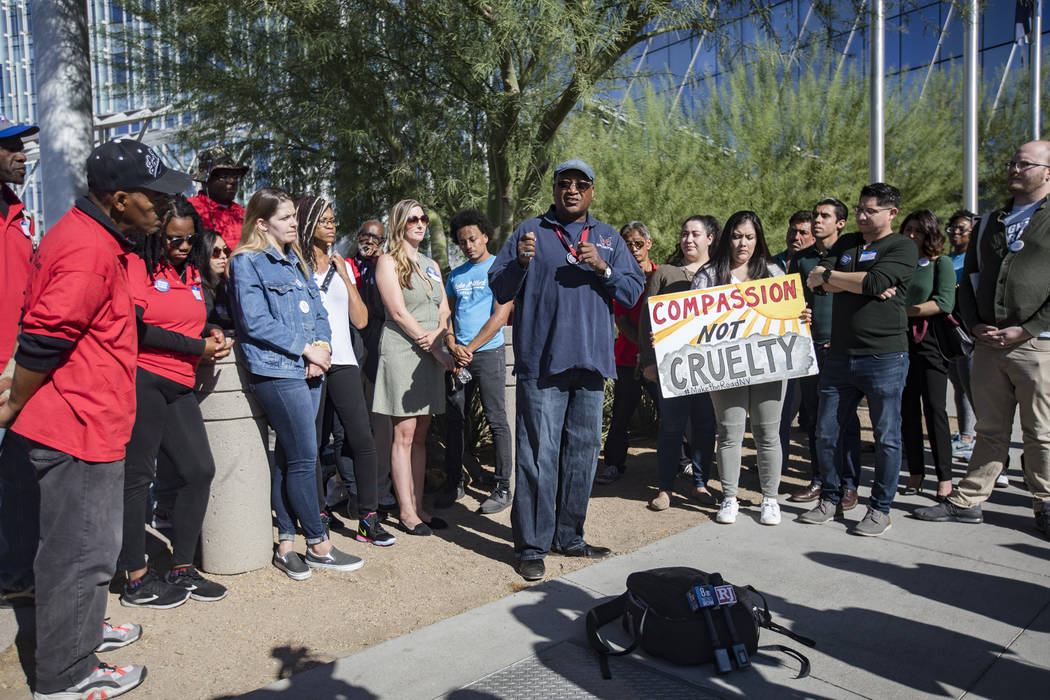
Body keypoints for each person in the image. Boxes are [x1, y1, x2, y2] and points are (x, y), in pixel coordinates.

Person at [0, 139, 192, 699]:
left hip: (84, 419)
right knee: (81, 555)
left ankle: (80, 631)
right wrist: (14, 402)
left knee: (77, 550)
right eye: (154, 197)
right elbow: (42, 338)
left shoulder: (91, 236)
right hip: (77, 426)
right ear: (118, 198)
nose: (163, 207)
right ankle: (66, 674)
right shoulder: (87, 246)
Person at [489, 159, 644, 581]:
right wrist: (520, 264)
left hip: (592, 364)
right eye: (564, 183)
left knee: (581, 456)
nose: (571, 190)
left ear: (592, 191)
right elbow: (498, 287)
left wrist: (604, 268)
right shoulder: (529, 232)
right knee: (536, 456)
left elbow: (632, 292)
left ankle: (570, 537)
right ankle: (532, 546)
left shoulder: (609, 238)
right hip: (541, 364)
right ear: (554, 189)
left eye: (581, 184)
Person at [915, 140, 1050, 534]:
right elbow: (969, 282)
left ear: (1047, 172)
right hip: (989, 344)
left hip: (1038, 344)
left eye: (1025, 164)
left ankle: (1044, 504)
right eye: (1012, 163)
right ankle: (968, 500)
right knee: (988, 429)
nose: (1014, 169)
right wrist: (974, 325)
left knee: (1040, 431)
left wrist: (1028, 328)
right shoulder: (991, 221)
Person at [229, 187, 363, 580]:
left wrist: (320, 346)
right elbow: (254, 321)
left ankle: (286, 542)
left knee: (291, 458)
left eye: (293, 216)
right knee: (305, 456)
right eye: (286, 217)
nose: (294, 223)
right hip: (277, 370)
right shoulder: (247, 262)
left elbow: (319, 311)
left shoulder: (296, 262)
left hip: (309, 368)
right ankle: (319, 543)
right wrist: (305, 349)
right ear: (262, 223)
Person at [118, 195, 232, 609]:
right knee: (138, 477)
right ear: (156, 237)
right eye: (173, 240)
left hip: (181, 382)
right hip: (144, 378)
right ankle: (134, 577)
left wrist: (213, 333)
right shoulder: (139, 266)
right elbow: (138, 329)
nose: (182, 247)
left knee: (199, 470)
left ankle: (181, 568)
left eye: (188, 240)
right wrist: (195, 346)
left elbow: (194, 320)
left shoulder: (194, 274)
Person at [801, 182, 916, 536]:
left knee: (886, 436)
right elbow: (815, 281)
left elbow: (869, 280)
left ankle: (880, 508)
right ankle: (831, 499)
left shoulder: (902, 246)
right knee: (826, 433)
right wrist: (857, 281)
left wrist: (843, 279)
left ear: (891, 213)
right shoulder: (849, 243)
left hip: (884, 357)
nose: (862, 216)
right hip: (839, 356)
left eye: (870, 211)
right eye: (860, 209)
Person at [296, 195, 395, 546]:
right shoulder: (294, 263)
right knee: (315, 443)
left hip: (344, 362)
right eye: (325, 220)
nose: (332, 226)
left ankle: (368, 517)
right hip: (309, 362)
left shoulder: (343, 265)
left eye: (334, 221)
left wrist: (346, 278)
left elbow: (362, 318)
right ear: (307, 223)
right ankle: (317, 513)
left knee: (362, 440)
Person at [692, 211, 800, 526]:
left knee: (768, 432)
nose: (743, 243)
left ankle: (769, 499)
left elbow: (788, 318)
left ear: (759, 239)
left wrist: (800, 318)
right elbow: (692, 323)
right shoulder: (709, 275)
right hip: (725, 367)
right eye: (738, 236)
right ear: (728, 237)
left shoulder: (773, 273)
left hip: (768, 364)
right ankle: (729, 498)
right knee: (729, 433)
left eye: (750, 237)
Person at [372, 199, 454, 535]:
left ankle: (419, 506)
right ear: (399, 225)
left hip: (431, 348)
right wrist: (434, 347)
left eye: (423, 219)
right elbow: (398, 313)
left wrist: (441, 332)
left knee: (421, 434)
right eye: (412, 220)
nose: (420, 224)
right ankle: (406, 512)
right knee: (403, 435)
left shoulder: (431, 263)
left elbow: (445, 308)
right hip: (405, 350)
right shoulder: (387, 262)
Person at [639, 216, 721, 509]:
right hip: (672, 367)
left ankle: (701, 484)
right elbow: (646, 319)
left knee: (705, 426)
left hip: (712, 367)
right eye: (684, 233)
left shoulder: (722, 274)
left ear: (710, 238)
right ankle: (665, 489)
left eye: (695, 234)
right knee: (671, 427)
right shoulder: (666, 274)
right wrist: (648, 361)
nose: (688, 239)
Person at [438, 208, 514, 514]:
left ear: (485, 236)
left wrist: (468, 347)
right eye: (462, 241)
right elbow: (448, 316)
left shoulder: (500, 268)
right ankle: (454, 482)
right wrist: (452, 343)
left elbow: (501, 315)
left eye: (473, 238)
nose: (468, 245)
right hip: (460, 357)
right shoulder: (455, 276)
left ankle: (503, 486)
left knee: (497, 420)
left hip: (489, 353)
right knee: (455, 421)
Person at [788, 198, 862, 506]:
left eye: (825, 216)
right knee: (816, 419)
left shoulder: (850, 253)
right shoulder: (801, 258)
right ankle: (819, 479)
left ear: (841, 223)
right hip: (809, 346)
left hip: (842, 346)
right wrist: (798, 314)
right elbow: (792, 301)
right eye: (816, 215)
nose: (818, 220)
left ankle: (849, 484)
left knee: (845, 418)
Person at [0, 117, 39, 604]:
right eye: (8, 147)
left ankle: (14, 576)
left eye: (22, 145)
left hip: (18, 365)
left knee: (17, 477)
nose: (21, 154)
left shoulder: (19, 212)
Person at [594, 221, 658, 486]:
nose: (633, 249)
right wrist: (642, 347)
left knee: (671, 410)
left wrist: (652, 351)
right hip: (626, 358)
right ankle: (613, 464)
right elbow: (621, 321)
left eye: (638, 243)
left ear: (649, 244)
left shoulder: (661, 275)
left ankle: (682, 460)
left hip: (658, 359)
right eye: (627, 244)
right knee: (621, 413)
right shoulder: (618, 278)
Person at [898, 209, 956, 499]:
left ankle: (945, 476)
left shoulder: (940, 263)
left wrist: (903, 311)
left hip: (930, 342)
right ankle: (916, 473)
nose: (911, 235)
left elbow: (943, 303)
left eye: (917, 231)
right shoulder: (899, 264)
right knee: (906, 410)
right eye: (907, 229)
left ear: (929, 234)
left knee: (935, 410)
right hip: (899, 342)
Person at [353, 219, 399, 516]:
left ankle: (382, 489)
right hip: (354, 355)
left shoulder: (386, 266)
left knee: (383, 428)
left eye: (377, 238)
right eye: (366, 235)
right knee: (356, 429)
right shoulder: (347, 266)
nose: (371, 241)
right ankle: (350, 487)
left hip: (382, 355)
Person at [945, 209, 978, 462]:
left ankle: (973, 437)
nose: (955, 233)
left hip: (968, 330)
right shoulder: (949, 258)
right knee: (958, 383)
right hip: (950, 331)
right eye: (952, 228)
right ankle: (965, 434)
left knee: (972, 385)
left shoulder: (975, 259)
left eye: (962, 229)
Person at [187, 145, 248, 251]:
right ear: (205, 181)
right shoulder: (189, 209)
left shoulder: (241, 212)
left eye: (235, 176)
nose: (232, 181)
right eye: (224, 176)